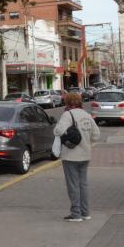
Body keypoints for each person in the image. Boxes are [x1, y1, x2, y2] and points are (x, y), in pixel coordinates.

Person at [54, 92, 101, 222]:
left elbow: (58, 130)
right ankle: (85, 213)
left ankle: (76, 214)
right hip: (86, 155)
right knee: (83, 184)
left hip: (71, 156)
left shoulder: (67, 114)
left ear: (67, 102)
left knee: (73, 185)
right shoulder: (87, 115)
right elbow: (96, 135)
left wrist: (69, 134)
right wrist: (86, 139)